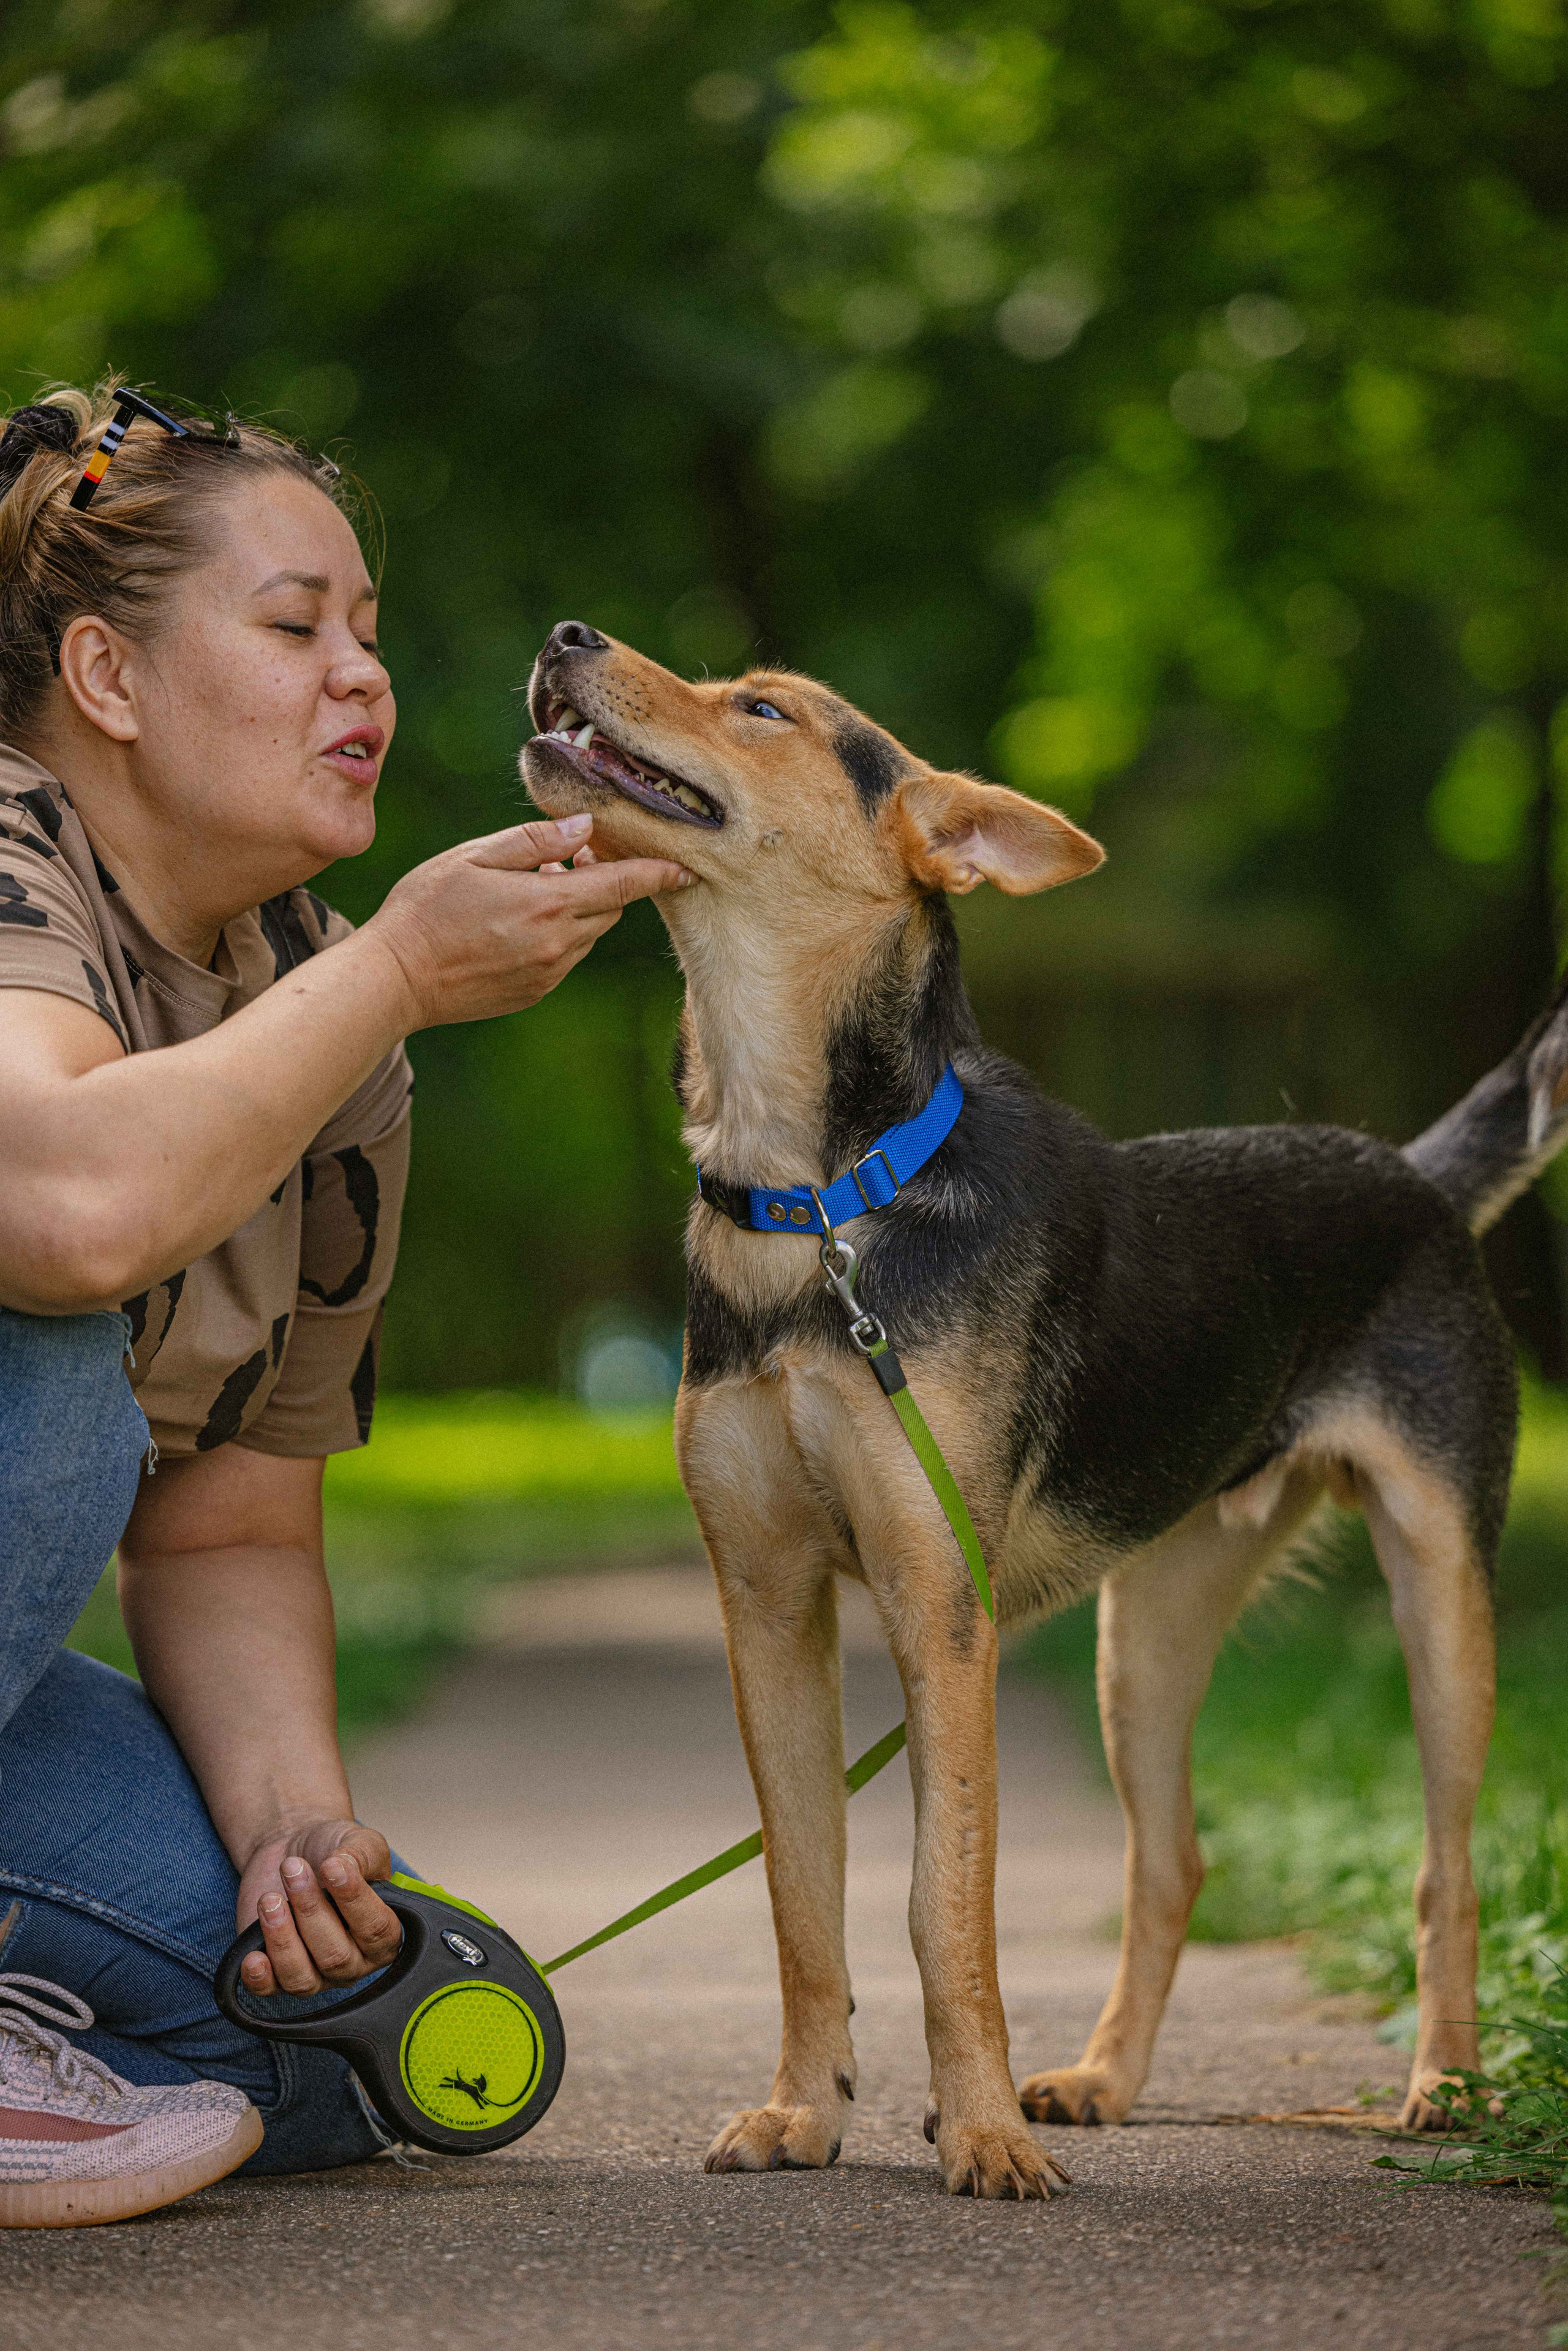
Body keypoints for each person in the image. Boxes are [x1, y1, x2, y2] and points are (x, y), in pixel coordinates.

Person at [0, 385, 690, 2227]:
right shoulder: (13, 856)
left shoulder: (317, 1009)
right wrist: (394, 971)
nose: (364, 677)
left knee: (304, 2050)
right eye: (297, 626)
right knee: (55, 1368)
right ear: (107, 675)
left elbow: (225, 1525)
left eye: (369, 633)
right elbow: (62, 1213)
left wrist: (298, 1835)